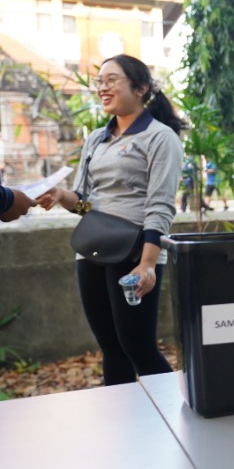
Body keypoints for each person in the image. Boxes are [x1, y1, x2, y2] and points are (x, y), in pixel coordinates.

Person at [36, 54, 183, 386]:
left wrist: (147, 264)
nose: (103, 88)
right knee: (111, 348)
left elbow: (160, 206)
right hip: (93, 248)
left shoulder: (161, 138)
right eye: (100, 81)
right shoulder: (96, 139)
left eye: (111, 80)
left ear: (141, 87)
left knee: (138, 346)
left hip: (135, 252)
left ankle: (177, 417)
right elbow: (85, 203)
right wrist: (61, 196)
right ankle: (124, 425)